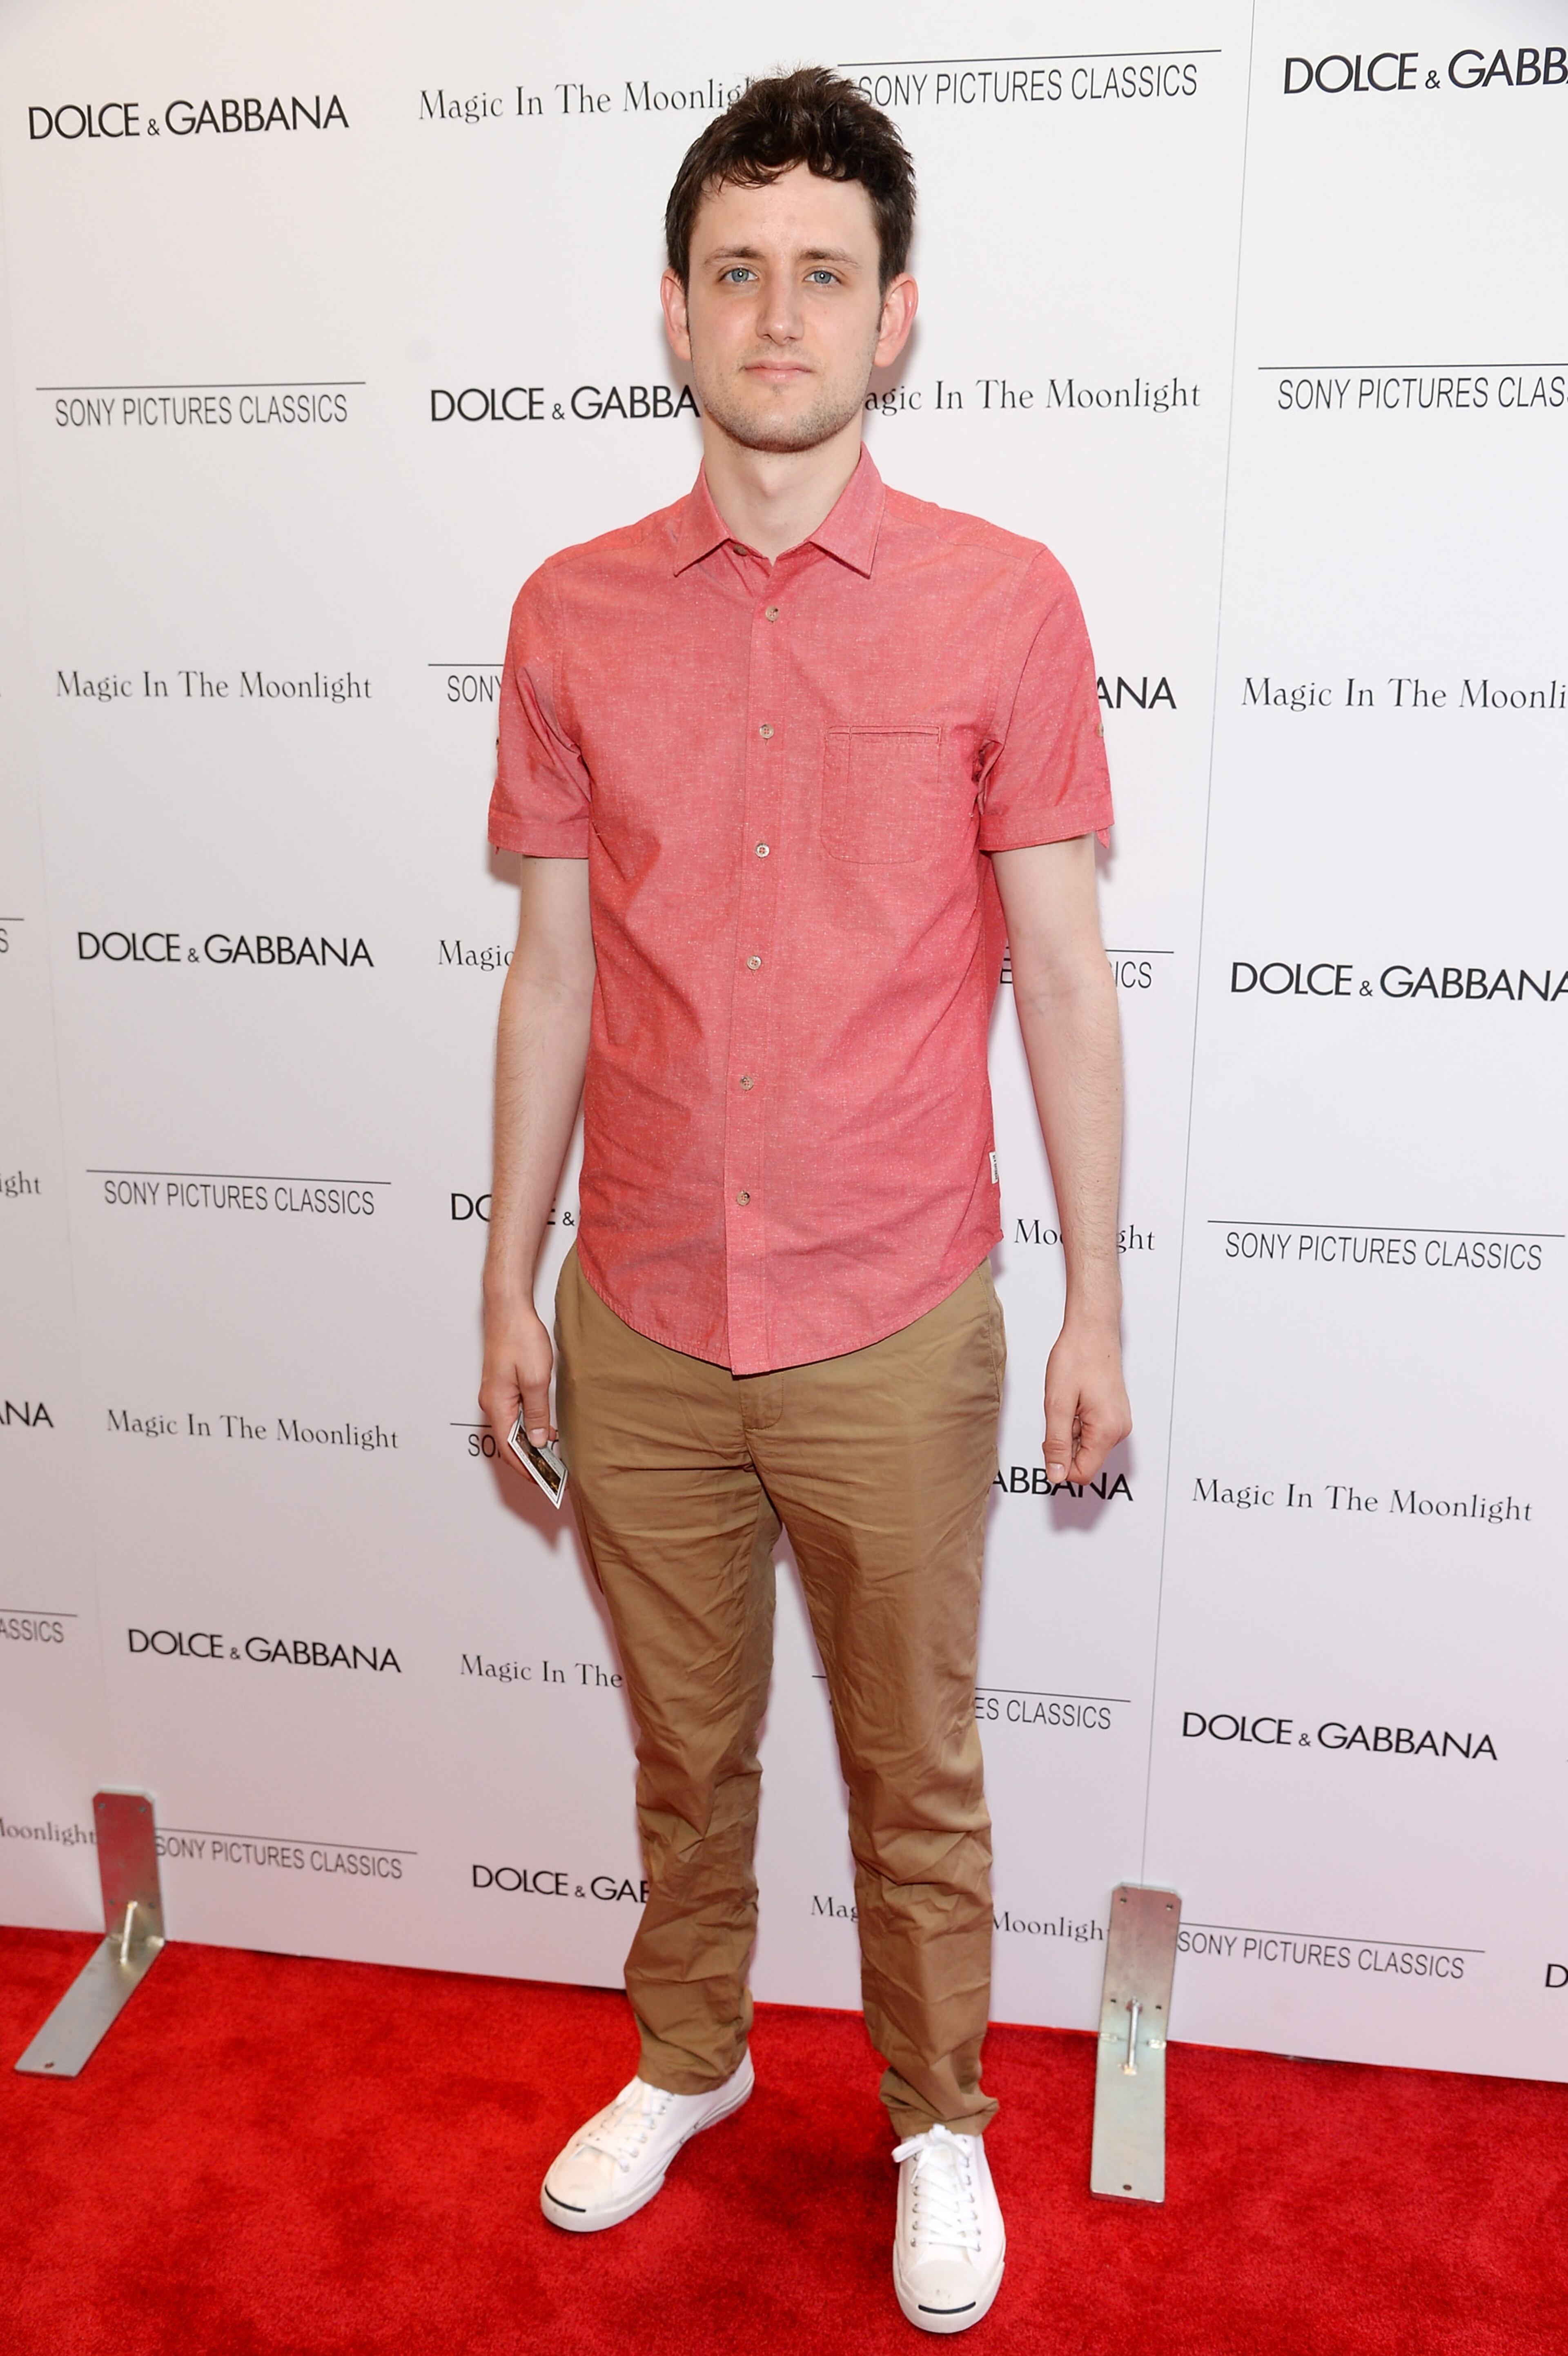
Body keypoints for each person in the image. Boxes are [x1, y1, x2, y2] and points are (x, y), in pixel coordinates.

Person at [479, 66, 1130, 2336]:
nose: (781, 313)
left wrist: (1097, 1308)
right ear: (674, 314)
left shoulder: (1004, 605)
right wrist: (504, 1284)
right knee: (686, 1744)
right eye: (738, 272)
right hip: (641, 1307)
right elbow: (552, 972)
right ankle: (692, 2056)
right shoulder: (568, 614)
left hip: (894, 1312)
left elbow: (1061, 967)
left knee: (913, 1758)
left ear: (898, 316)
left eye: (823, 274)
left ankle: (938, 2118)